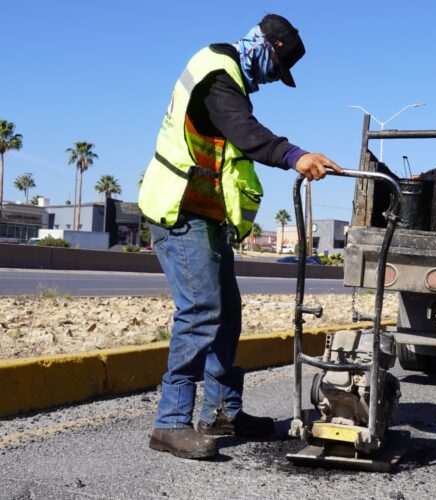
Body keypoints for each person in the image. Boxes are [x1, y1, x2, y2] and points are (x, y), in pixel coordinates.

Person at [138, 14, 342, 459]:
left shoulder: (230, 77)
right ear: (264, 47)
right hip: (178, 211)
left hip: (204, 215)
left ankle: (222, 412)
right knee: (200, 310)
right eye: (276, 68)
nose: (271, 80)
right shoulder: (216, 73)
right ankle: (170, 423)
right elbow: (247, 133)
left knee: (227, 313)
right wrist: (294, 155)